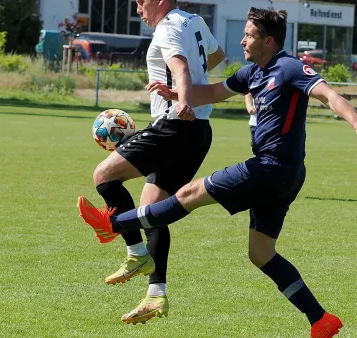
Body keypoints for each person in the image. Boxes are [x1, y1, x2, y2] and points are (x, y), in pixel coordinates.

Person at [79, 7, 357, 337]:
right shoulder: (252, 72)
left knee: (189, 194)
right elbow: (216, 92)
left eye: (248, 35)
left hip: (271, 167)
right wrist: (176, 95)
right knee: (260, 253)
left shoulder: (290, 67)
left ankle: (114, 225)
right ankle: (320, 319)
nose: (242, 39)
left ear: (268, 40)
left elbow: (329, 95)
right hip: (283, 176)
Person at [82, 0, 225, 325]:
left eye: (141, 1)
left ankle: (135, 254)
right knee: (151, 211)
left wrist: (184, 100)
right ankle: (155, 294)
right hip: (200, 131)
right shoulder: (194, 22)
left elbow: (180, 69)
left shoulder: (167, 26)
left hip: (175, 125)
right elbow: (216, 57)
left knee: (103, 176)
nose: (137, 8)